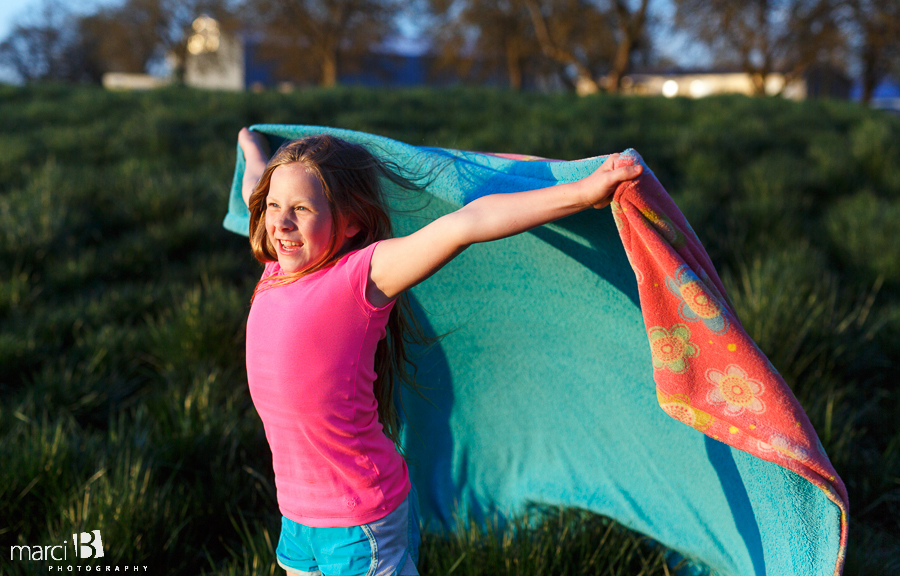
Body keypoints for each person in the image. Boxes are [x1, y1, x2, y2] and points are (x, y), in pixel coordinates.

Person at [237, 127, 642, 576]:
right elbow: (256, 182)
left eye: (301, 209)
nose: (280, 222)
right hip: (297, 513)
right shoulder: (276, 269)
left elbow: (465, 225)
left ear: (350, 221)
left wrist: (585, 193)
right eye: (275, 206)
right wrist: (252, 147)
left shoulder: (360, 277)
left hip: (358, 519)